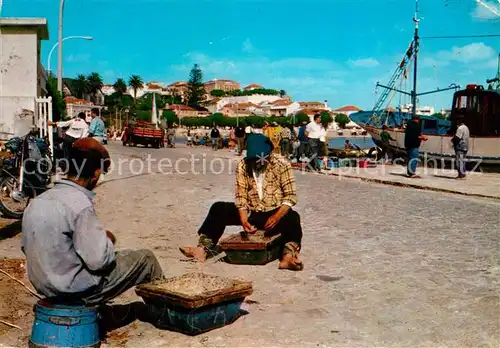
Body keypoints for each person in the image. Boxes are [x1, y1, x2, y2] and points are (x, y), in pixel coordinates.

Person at [21, 138, 164, 305]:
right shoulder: (79, 205)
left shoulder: (38, 201)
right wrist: (108, 240)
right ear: (96, 174)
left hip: (44, 286)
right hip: (74, 291)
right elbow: (99, 262)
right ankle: (164, 313)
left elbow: (26, 247)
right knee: (146, 259)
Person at [179, 134, 304, 271]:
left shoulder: (282, 164)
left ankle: (288, 256)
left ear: (268, 154)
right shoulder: (243, 166)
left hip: (274, 212)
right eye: (255, 159)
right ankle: (203, 249)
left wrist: (276, 216)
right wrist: (244, 219)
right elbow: (241, 197)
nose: (259, 162)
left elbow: (290, 196)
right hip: (252, 212)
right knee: (218, 208)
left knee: (293, 217)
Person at [452, 114, 469, 179]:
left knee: (459, 161)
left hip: (460, 147)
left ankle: (461, 175)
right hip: (465, 146)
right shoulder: (466, 127)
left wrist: (452, 140)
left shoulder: (460, 128)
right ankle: (463, 173)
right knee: (463, 161)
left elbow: (457, 138)